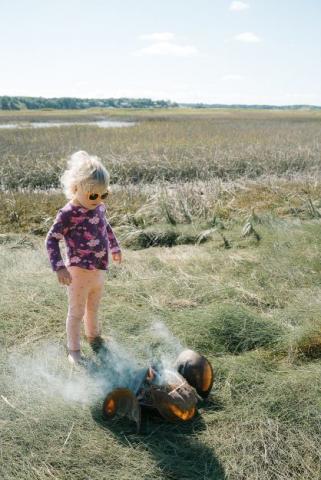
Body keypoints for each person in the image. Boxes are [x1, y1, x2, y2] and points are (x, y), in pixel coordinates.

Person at [45, 150, 122, 365]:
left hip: (98, 270)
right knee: (77, 311)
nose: (98, 200)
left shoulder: (98, 207)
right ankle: (74, 349)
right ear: (76, 188)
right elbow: (51, 240)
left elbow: (105, 227)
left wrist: (115, 247)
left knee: (93, 307)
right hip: (78, 273)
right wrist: (59, 267)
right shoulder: (67, 213)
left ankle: (93, 336)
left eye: (103, 195)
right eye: (93, 195)